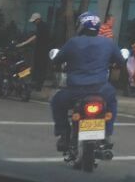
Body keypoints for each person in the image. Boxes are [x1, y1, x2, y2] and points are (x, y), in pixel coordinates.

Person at [49, 11, 125, 152]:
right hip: (101, 90)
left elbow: (57, 59)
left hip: (75, 91)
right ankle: (107, 133)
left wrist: (57, 63)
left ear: (81, 26)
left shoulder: (73, 42)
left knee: (56, 102)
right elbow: (121, 61)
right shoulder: (108, 43)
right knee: (112, 102)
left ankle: (64, 134)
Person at [17, 12, 51, 91]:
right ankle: (36, 85)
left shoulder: (42, 26)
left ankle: (37, 85)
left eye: (34, 21)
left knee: (39, 68)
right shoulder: (42, 26)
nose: (33, 23)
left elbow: (35, 37)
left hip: (42, 51)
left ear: (38, 19)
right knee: (38, 68)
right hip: (41, 50)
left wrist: (24, 43)